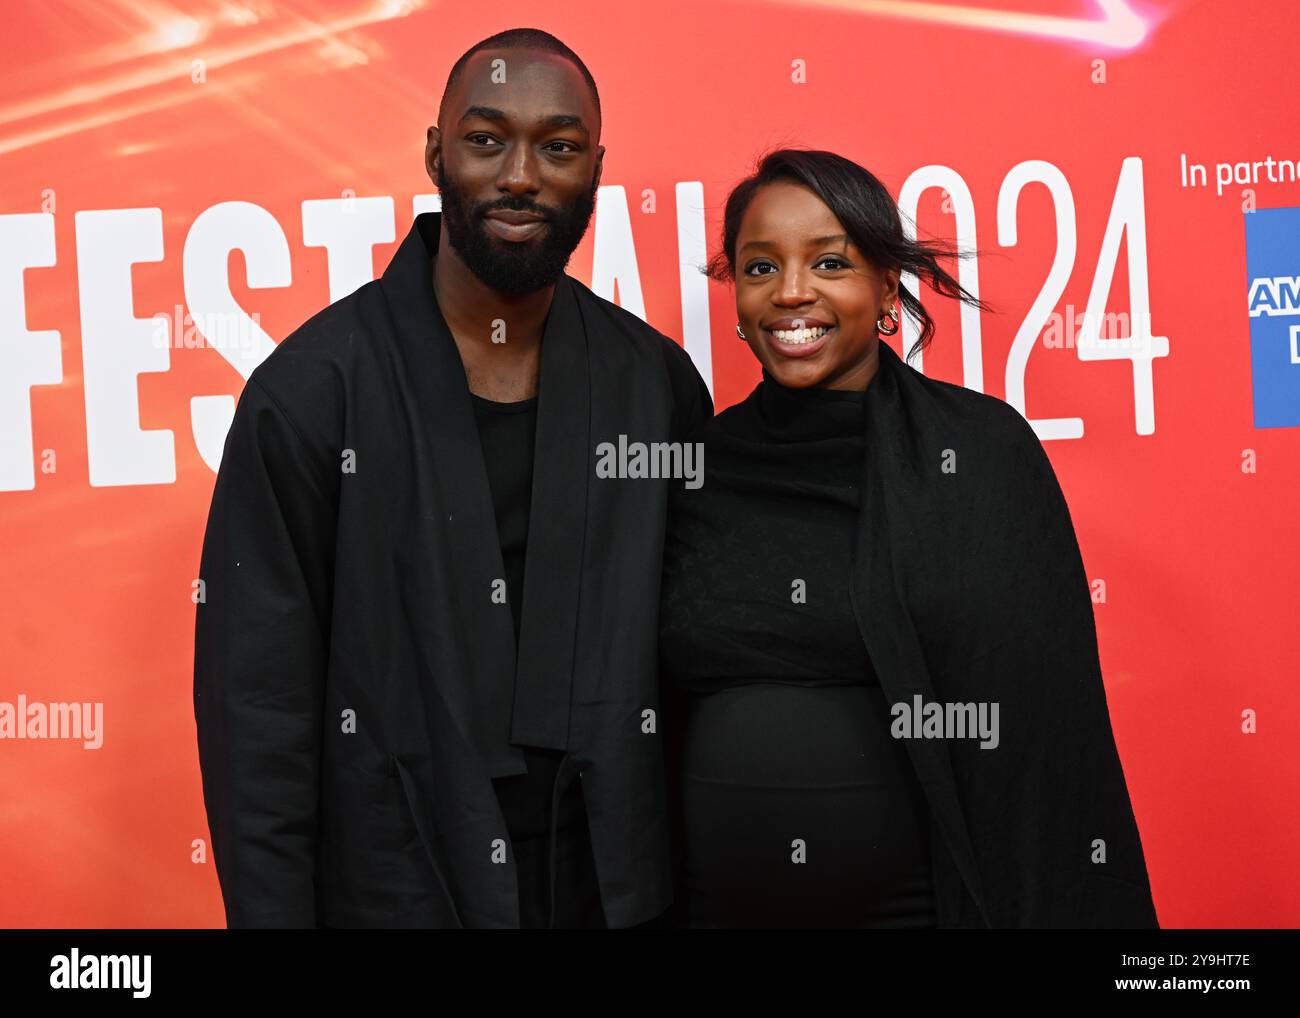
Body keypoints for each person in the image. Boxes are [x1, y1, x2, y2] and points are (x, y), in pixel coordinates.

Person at [193, 27, 711, 929]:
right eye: (485, 139)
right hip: (397, 885)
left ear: (595, 165)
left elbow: (704, 663)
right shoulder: (313, 393)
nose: (520, 175)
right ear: (436, 151)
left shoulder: (653, 384)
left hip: (616, 888)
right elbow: (259, 715)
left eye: (557, 146)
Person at [658, 149, 1159, 928]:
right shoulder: (692, 471)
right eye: (761, 268)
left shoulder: (980, 455)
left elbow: (1046, 749)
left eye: (829, 262)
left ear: (887, 286)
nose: (792, 292)